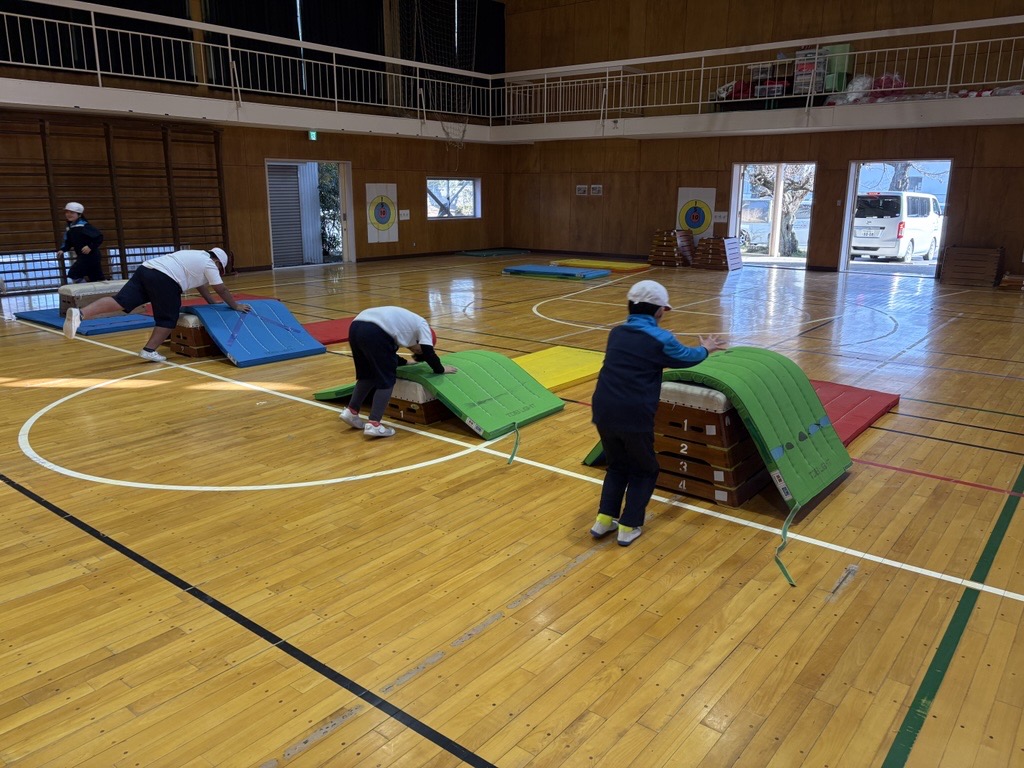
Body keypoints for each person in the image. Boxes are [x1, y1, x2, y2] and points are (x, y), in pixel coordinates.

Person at [589, 280, 727, 546]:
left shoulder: (616, 333)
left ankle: (604, 521)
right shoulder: (661, 339)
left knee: (617, 466)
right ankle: (628, 526)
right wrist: (707, 347)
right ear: (659, 311)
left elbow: (641, 350)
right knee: (645, 470)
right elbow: (687, 357)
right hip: (634, 413)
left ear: (630, 306)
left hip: (603, 409)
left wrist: (661, 340)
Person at [63, 247, 251, 362]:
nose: (218, 271)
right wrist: (235, 306)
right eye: (220, 269)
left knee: (120, 301)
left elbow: (202, 285)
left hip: (146, 270)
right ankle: (149, 350)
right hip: (165, 279)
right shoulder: (209, 264)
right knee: (168, 318)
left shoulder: (195, 256)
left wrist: (212, 303)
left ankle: (80, 314)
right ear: (217, 261)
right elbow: (221, 289)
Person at [339, 306, 457, 438]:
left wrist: (405, 362)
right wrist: (440, 369)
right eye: (418, 350)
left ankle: (351, 412)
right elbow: (429, 352)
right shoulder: (423, 326)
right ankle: (374, 424)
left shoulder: (405, 326)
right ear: (422, 340)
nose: (416, 352)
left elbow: (386, 354)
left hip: (356, 327)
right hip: (376, 331)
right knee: (387, 380)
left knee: (368, 375)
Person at [58, 202, 106, 283]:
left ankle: (86, 291)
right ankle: (92, 293)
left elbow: (99, 237)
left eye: (72, 212)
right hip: (83, 256)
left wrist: (90, 247)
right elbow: (69, 242)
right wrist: (63, 249)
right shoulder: (71, 228)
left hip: (91, 256)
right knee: (96, 278)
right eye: (67, 212)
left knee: (74, 273)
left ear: (79, 215)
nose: (68, 214)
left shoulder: (84, 226)